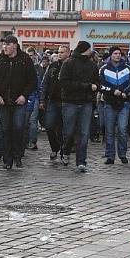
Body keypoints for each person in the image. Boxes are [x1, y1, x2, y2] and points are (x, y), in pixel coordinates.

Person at [0, 35, 36, 171]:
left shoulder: (25, 60)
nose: (4, 47)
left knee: (18, 128)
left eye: (7, 45)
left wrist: (24, 95)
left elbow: (32, 80)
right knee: (5, 130)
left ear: (15, 45)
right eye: (3, 45)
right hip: (3, 102)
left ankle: (18, 156)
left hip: (19, 101)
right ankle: (7, 159)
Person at [57, 41, 99, 172]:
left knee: (84, 133)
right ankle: (65, 151)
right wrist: (86, 86)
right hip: (70, 102)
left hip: (86, 102)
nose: (90, 51)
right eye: (89, 49)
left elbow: (97, 80)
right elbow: (64, 82)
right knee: (68, 132)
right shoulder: (68, 63)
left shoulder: (92, 65)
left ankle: (81, 161)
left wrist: (95, 87)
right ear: (84, 50)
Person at [98, 46, 130, 164]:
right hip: (109, 103)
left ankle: (122, 154)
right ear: (111, 55)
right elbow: (100, 85)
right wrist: (112, 91)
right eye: (115, 53)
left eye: (119, 53)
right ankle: (110, 156)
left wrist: (126, 92)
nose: (117, 55)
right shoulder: (104, 69)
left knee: (122, 130)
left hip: (124, 103)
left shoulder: (127, 68)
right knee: (109, 131)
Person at [40, 44, 69, 161]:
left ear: (68, 53)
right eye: (59, 52)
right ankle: (55, 147)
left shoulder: (70, 66)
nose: (59, 54)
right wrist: (42, 99)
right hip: (53, 100)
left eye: (62, 52)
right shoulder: (52, 66)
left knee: (64, 128)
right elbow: (45, 83)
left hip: (66, 101)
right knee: (49, 125)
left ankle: (63, 149)